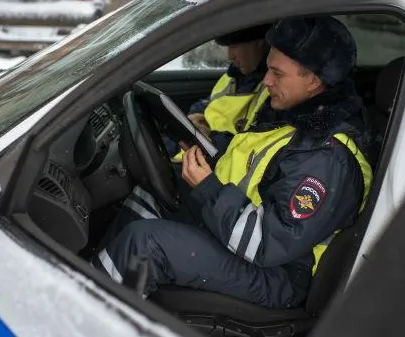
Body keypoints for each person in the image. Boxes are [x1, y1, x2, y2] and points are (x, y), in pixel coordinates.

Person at [92, 17, 373, 309]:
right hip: (238, 235)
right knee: (148, 198)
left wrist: (208, 188)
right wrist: (206, 146)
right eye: (268, 69)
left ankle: (84, 315)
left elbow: (269, 243)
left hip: (279, 274)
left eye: (277, 73)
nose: (266, 81)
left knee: (144, 243)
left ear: (314, 80)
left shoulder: (327, 158)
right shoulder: (291, 121)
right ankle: (91, 279)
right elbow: (251, 164)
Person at [166, 25, 271, 157]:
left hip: (218, 158)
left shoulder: (273, 89)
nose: (229, 56)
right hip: (199, 148)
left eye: (234, 47)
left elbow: (251, 145)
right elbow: (211, 102)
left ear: (261, 43)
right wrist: (196, 115)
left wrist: (210, 136)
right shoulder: (232, 76)